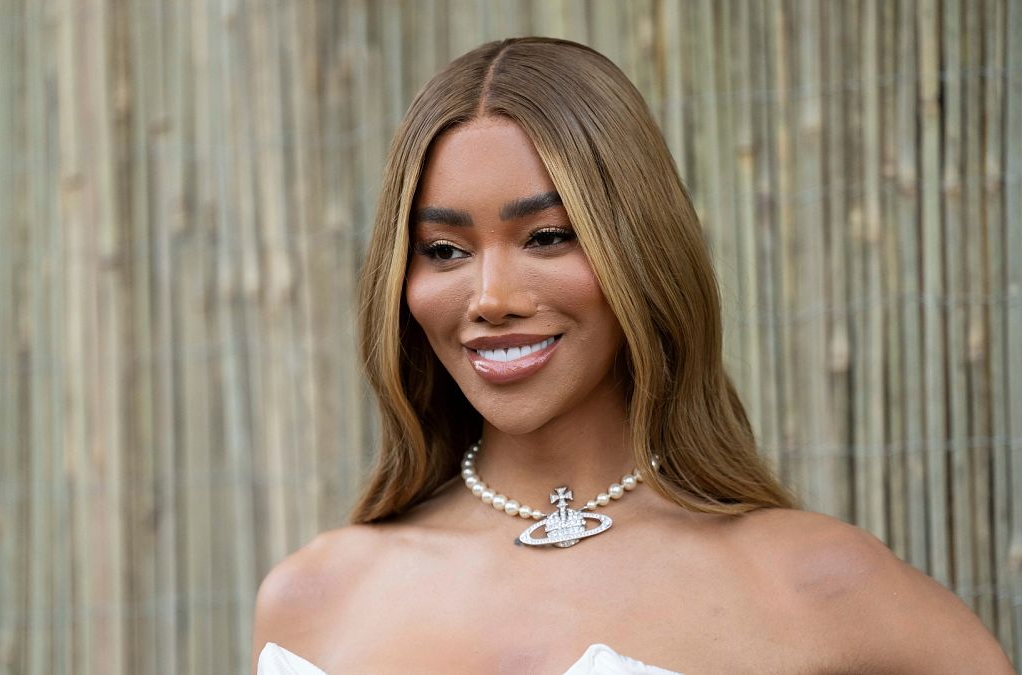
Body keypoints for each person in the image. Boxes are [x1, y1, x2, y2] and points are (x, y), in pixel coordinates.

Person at [250, 37, 1013, 674]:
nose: (490, 295)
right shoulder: (314, 599)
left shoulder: (818, 584)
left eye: (547, 236)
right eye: (443, 249)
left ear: (639, 249)